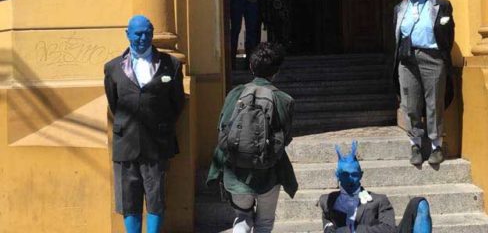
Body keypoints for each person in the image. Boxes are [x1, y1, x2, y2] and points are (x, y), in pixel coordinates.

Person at [104, 15, 185, 233]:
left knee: (156, 196)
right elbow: (114, 103)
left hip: (157, 143)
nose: (143, 38)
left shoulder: (171, 65)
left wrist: (160, 123)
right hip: (126, 143)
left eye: (148, 33)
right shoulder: (112, 68)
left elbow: (177, 103)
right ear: (127, 34)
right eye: (138, 33)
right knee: (128, 199)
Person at [207, 42, 298, 233]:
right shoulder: (284, 100)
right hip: (270, 172)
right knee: (265, 222)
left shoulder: (235, 93)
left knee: (242, 217)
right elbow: (286, 136)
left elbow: (222, 127)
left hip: (236, 172)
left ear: (250, 66)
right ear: (277, 72)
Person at [393, 0, 455, 166]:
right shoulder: (400, 8)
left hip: (432, 58)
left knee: (434, 102)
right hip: (407, 60)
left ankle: (436, 146)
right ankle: (416, 144)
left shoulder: (440, 6)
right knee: (410, 104)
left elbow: (448, 35)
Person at [318, 141, 432, 233]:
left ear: (361, 175)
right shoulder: (327, 201)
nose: (350, 178)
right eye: (345, 174)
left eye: (354, 174)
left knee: (420, 204)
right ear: (337, 175)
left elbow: (389, 229)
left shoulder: (379, 200)